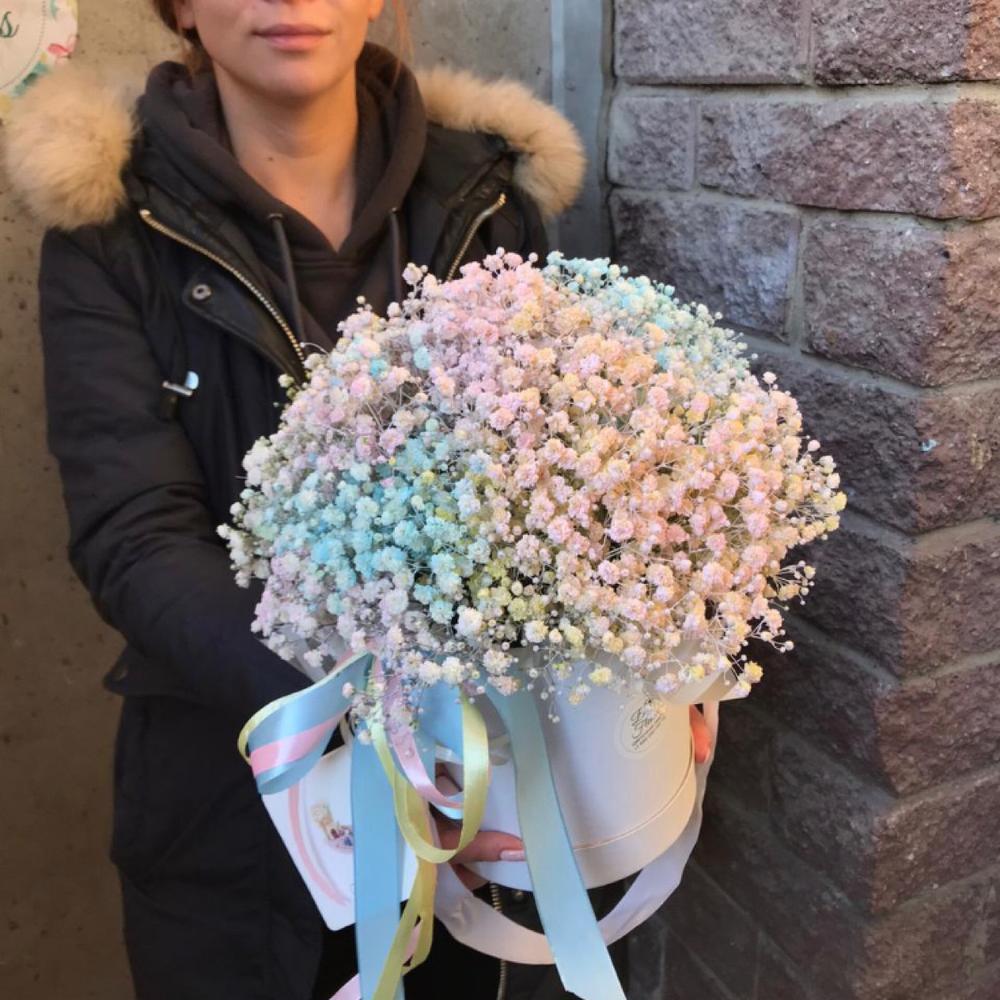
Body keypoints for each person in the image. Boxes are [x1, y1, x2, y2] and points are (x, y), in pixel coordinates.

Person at [5, 1, 713, 997]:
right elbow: (135, 534)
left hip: (479, 814)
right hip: (232, 819)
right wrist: (378, 725)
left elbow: (570, 474)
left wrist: (650, 670)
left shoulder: (485, 197)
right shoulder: (117, 230)